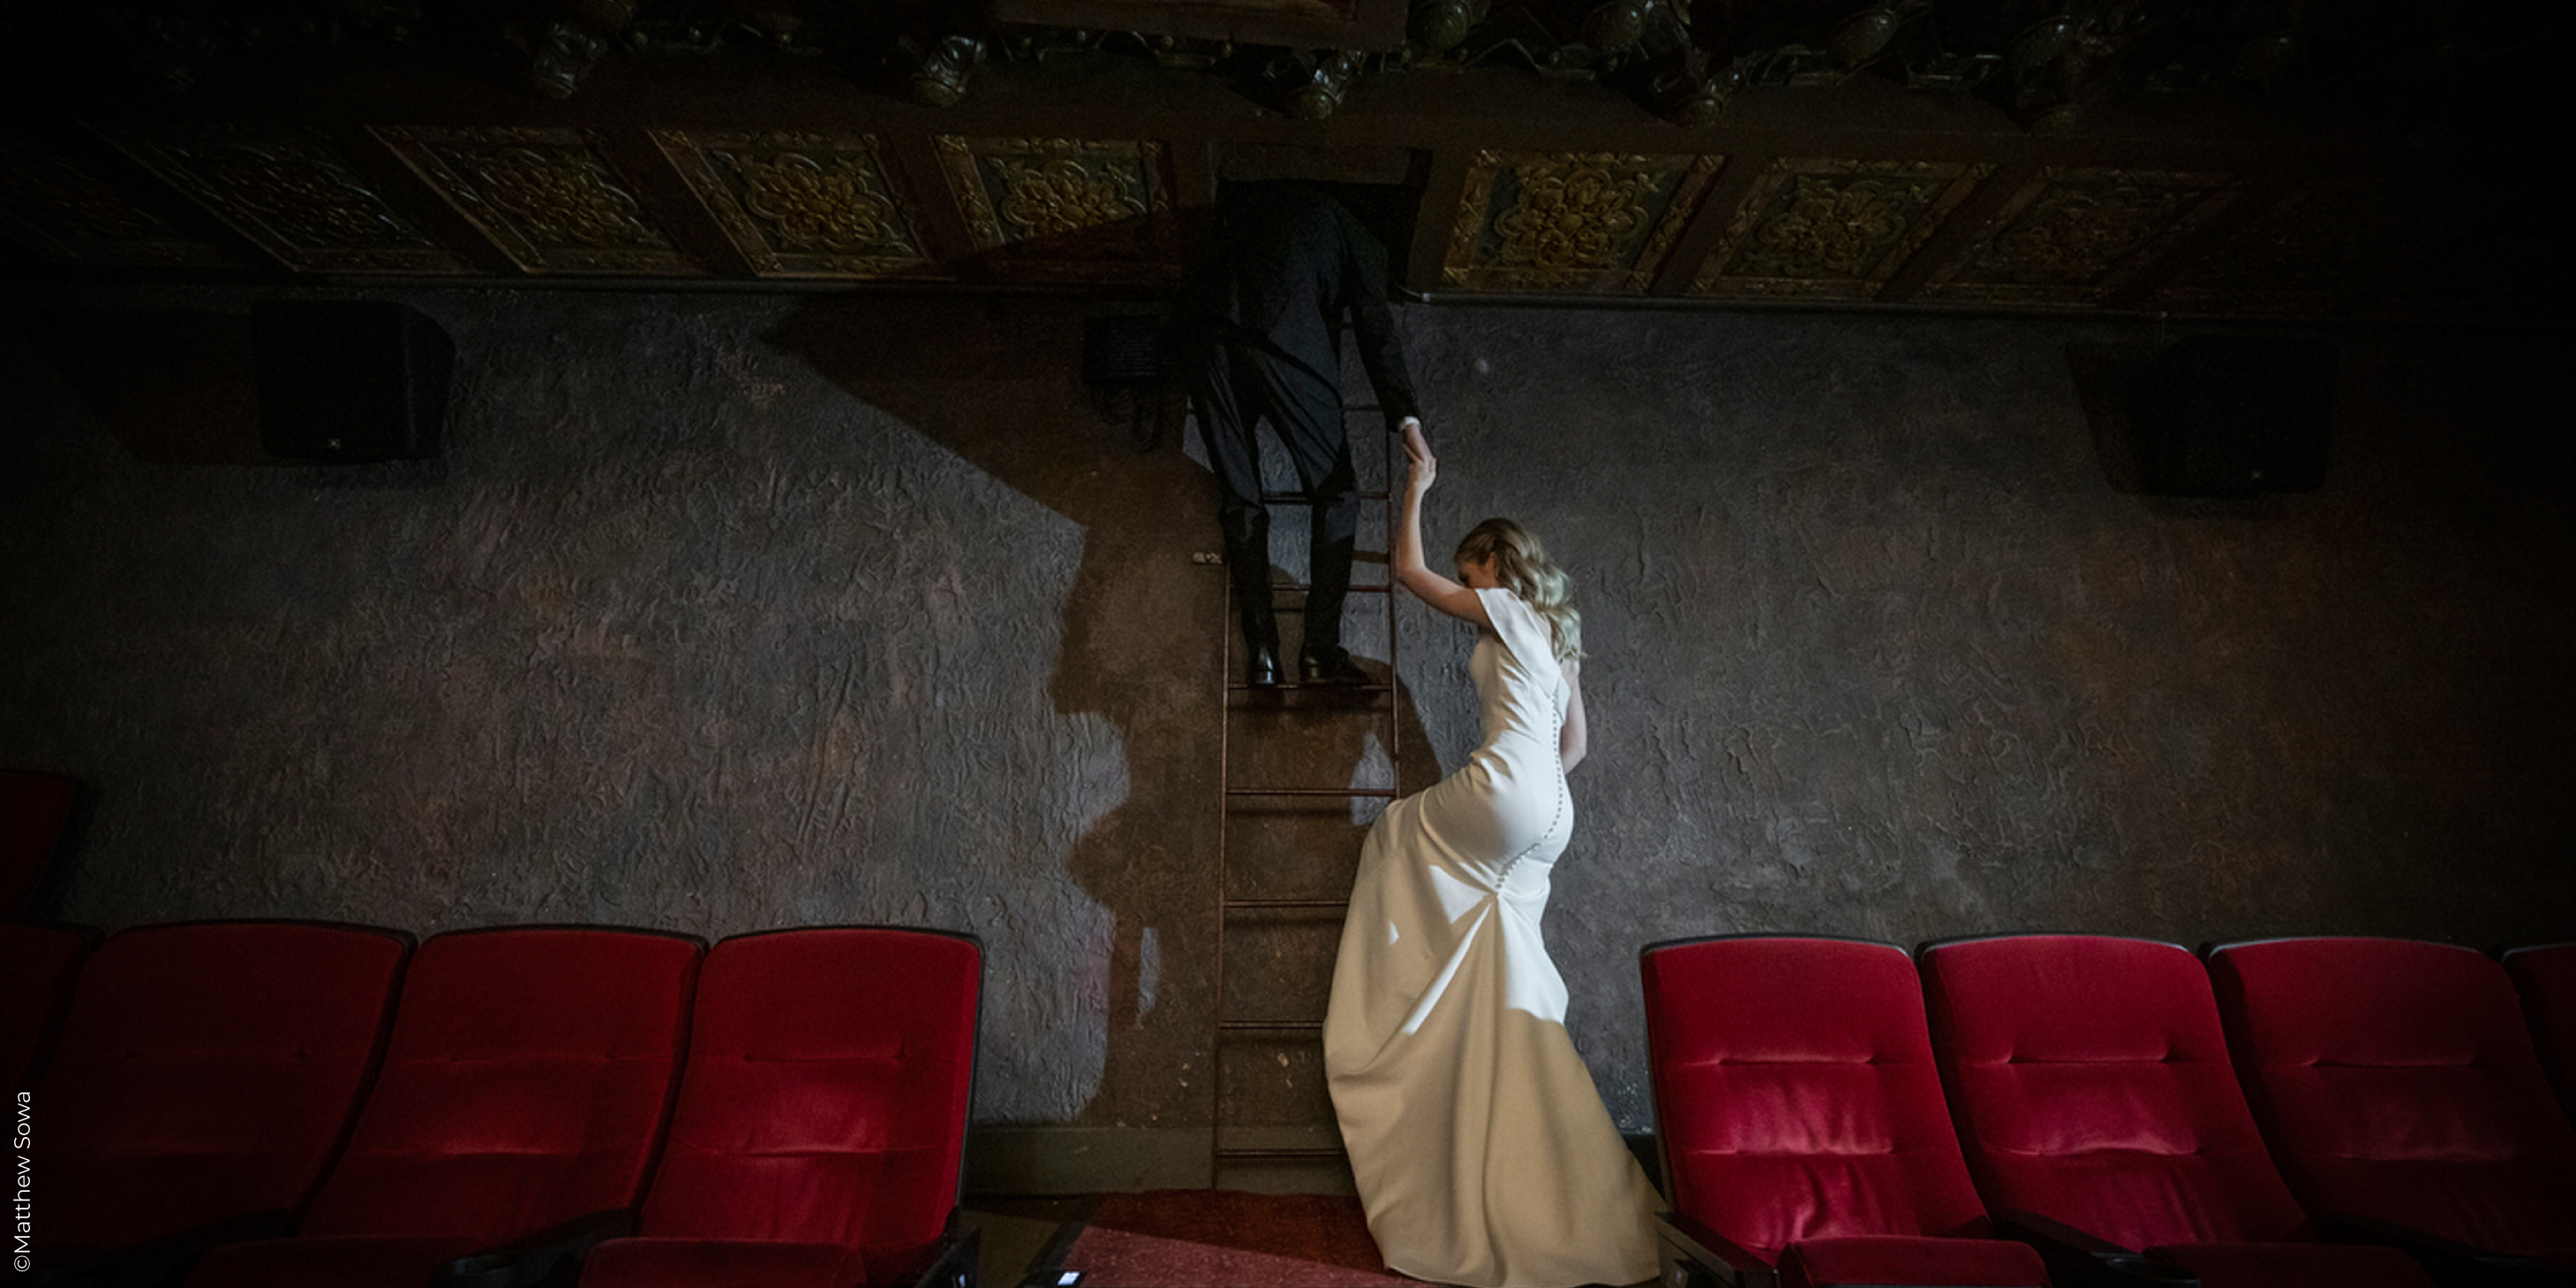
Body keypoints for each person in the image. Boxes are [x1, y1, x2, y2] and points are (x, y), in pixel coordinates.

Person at [1322, 424, 1659, 1288]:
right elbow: (1576, 745)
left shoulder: (1506, 606)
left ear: (1496, 565)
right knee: (1499, 963)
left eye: (1472, 574)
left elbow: (1408, 573)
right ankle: (1522, 1139)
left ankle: (1388, 1018)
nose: (1469, 588)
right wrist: (1533, 794)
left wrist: (1418, 485)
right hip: (1553, 812)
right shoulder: (1560, 632)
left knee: (1393, 833)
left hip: (1507, 792)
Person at [1175, 180, 1423, 686]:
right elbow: (1375, 327)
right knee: (1337, 493)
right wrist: (1407, 419)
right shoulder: (1357, 231)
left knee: (1241, 501)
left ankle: (1263, 656)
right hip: (1283, 335)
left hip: (1200, 332)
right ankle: (1320, 653)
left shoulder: (1258, 206)